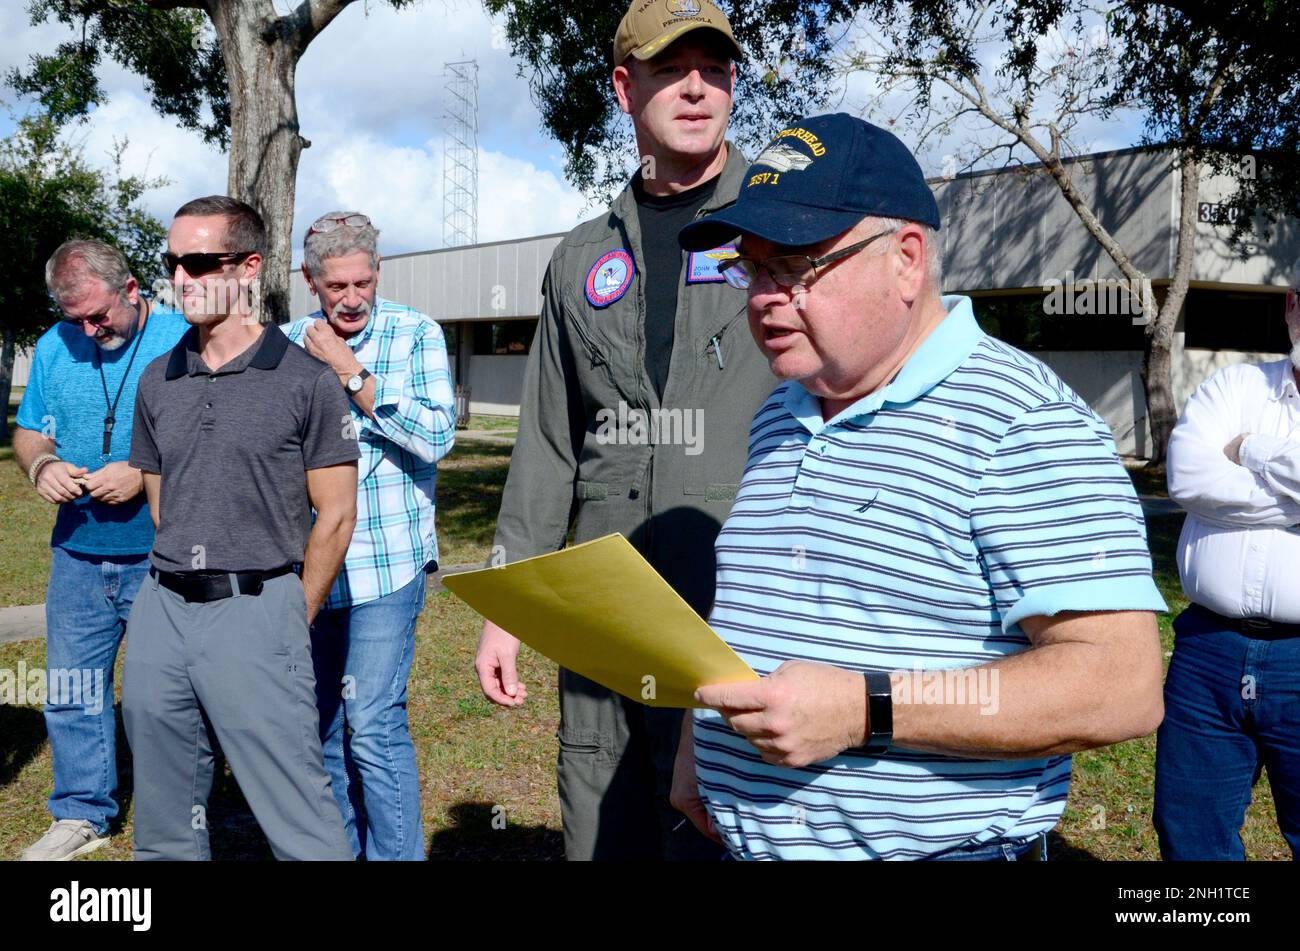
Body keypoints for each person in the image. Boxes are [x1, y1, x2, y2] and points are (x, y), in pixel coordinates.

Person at [672, 112, 1168, 860]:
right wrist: (696, 745)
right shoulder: (778, 411)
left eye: (795, 265)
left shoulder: (1021, 421)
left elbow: (1121, 681)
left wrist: (864, 708)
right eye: (752, 266)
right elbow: (752, 608)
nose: (763, 297)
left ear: (906, 259)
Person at [473, 0, 776, 860]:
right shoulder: (579, 256)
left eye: (714, 67)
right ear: (622, 86)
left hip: (741, 590)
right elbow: (547, 441)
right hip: (605, 601)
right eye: (670, 68)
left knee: (725, 819)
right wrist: (509, 605)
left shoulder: (782, 225)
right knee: (604, 816)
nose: (696, 87)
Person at [122, 195, 360, 860]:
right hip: (162, 608)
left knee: (300, 820)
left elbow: (336, 514)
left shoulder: (307, 380)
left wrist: (291, 612)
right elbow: (163, 502)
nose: (182, 278)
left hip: (259, 607)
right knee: (164, 822)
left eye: (201, 262)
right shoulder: (156, 379)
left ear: (250, 266)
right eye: (174, 262)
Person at [285, 211, 456, 860]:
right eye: (337, 287)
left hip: (388, 563)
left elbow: (438, 436)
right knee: (321, 726)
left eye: (364, 282)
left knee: (373, 727)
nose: (352, 298)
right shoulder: (281, 344)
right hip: (309, 568)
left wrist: (351, 373)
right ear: (310, 281)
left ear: (379, 271)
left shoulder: (416, 333)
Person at [13, 240, 188, 860]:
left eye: (98, 315)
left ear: (133, 288)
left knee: (162, 695)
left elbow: (218, 436)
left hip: (162, 554)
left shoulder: (184, 337)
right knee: (73, 689)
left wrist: (144, 473)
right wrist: (42, 467)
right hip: (78, 555)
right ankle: (82, 814)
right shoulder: (58, 342)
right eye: (74, 317)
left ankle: (177, 816)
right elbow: (30, 430)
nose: (88, 329)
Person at [1157, 255, 1300, 860]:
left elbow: (1216, 476)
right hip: (1206, 656)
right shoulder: (1236, 386)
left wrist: (1252, 450)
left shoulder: (1246, 418)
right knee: (1190, 836)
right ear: (1293, 307)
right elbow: (1186, 475)